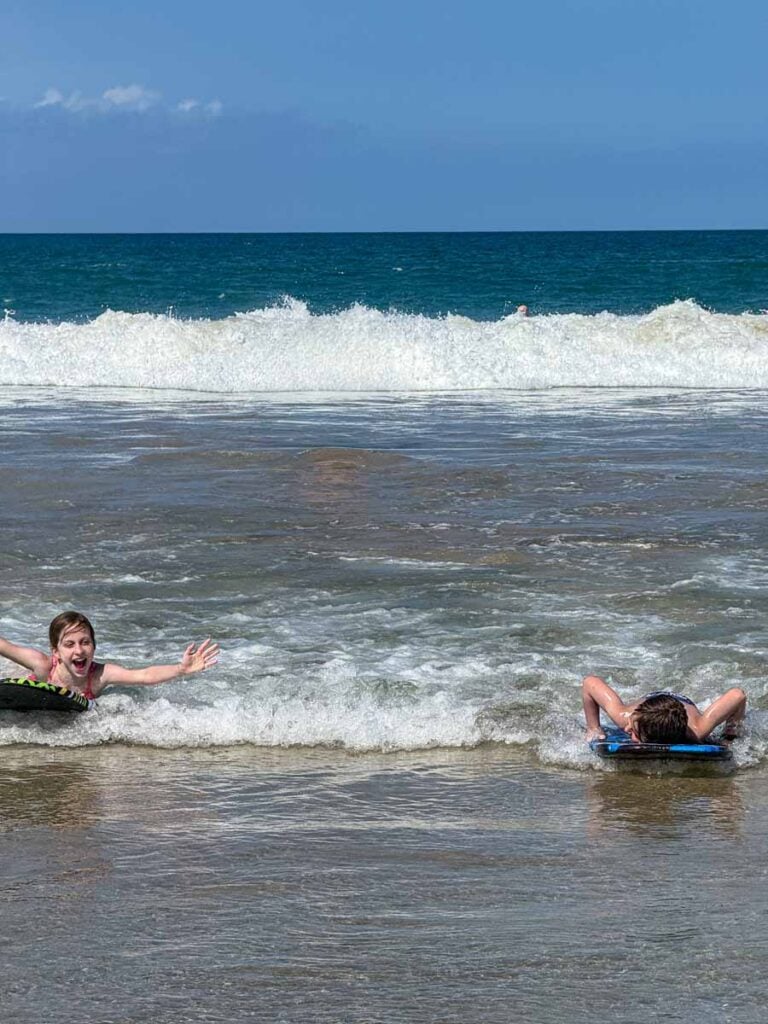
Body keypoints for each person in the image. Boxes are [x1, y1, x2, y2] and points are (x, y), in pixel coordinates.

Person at [0, 611, 219, 702]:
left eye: (85, 642)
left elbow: (143, 675)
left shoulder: (99, 676)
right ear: (56, 651)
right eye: (69, 644)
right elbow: (4, 646)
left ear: (94, 647)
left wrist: (181, 669)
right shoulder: (42, 665)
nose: (79, 650)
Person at [582, 674, 746, 744]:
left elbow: (739, 697)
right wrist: (594, 727)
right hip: (650, 702)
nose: (626, 728)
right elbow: (590, 682)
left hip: (682, 704)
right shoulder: (625, 717)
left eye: (634, 732)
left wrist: (730, 734)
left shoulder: (697, 730)